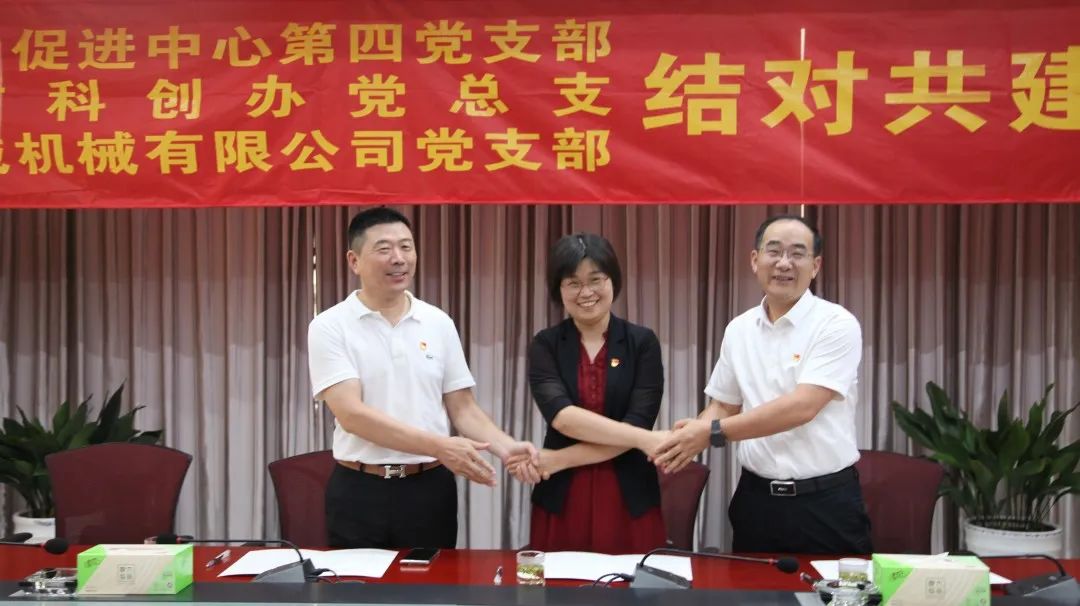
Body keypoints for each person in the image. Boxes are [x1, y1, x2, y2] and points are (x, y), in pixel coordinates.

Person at [308, 207, 540, 549]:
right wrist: (441, 446)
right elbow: (352, 415)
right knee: (358, 583)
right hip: (359, 490)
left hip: (428, 489)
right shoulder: (330, 326)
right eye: (384, 249)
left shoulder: (437, 322)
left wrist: (506, 448)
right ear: (354, 261)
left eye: (406, 246)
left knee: (432, 582)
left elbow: (463, 408)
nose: (399, 258)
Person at [653, 215, 872, 554]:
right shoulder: (739, 330)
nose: (784, 263)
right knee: (749, 585)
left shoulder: (836, 324)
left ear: (815, 266)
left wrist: (711, 432)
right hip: (756, 500)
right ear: (755, 260)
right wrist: (689, 436)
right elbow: (723, 404)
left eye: (797, 254)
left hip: (826, 502)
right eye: (774, 251)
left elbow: (803, 407)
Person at [511, 233, 669, 553]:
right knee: (559, 580)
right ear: (559, 289)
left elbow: (637, 424)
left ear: (613, 281)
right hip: (562, 497)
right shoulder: (546, 344)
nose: (586, 292)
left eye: (595, 279)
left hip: (629, 496)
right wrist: (646, 440)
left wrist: (557, 459)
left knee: (634, 581)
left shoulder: (642, 343)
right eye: (573, 283)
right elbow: (563, 418)